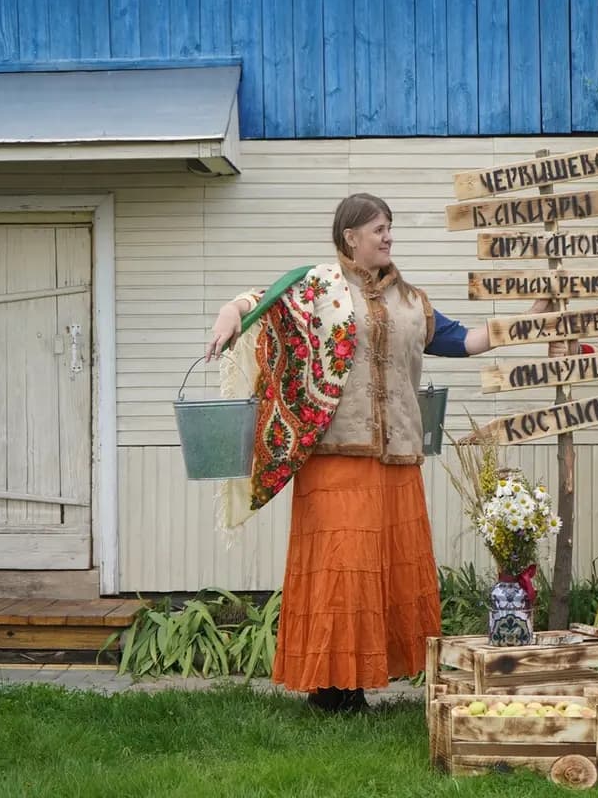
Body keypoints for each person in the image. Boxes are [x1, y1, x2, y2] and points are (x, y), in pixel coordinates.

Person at [206, 193, 551, 712]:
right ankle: (330, 690)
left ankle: (360, 683)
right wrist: (228, 314)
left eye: (390, 229)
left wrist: (529, 321)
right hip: (335, 456)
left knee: (384, 571)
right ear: (351, 237)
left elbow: (465, 340)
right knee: (342, 573)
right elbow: (259, 299)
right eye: (379, 229)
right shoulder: (318, 288)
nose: (389, 237)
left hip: (397, 458)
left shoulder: (411, 300)